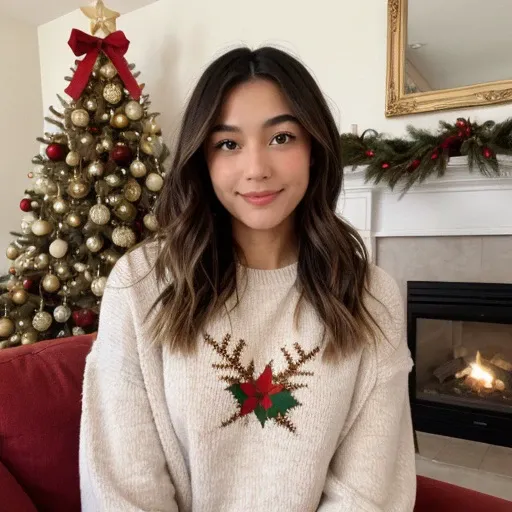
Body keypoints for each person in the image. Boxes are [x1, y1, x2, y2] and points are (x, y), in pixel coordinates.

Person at [79, 46, 416, 511]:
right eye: (228, 144)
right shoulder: (140, 284)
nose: (257, 169)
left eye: (281, 138)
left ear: (314, 150)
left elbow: (369, 492)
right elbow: (122, 488)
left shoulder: (371, 295)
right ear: (203, 159)